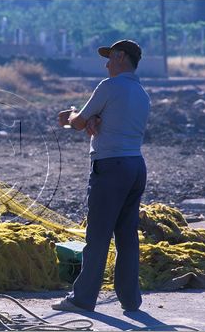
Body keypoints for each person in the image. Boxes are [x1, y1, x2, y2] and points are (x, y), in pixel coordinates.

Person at [53, 39, 151, 312]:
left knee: (97, 237)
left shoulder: (109, 86)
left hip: (110, 168)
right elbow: (108, 120)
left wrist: (69, 115)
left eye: (110, 58)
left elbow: (79, 121)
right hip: (135, 166)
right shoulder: (142, 93)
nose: (107, 64)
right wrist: (95, 119)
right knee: (127, 237)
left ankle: (82, 299)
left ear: (121, 57)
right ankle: (131, 300)